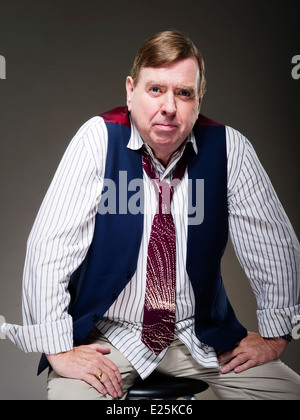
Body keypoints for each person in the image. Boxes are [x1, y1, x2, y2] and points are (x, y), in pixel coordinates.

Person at [1, 30, 300, 400]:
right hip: (110, 338)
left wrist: (276, 332)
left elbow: (273, 244)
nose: (169, 107)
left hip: (199, 335)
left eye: (184, 93)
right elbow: (48, 249)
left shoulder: (229, 149)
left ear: (198, 98)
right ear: (131, 91)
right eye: (155, 89)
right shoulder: (98, 139)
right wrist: (57, 347)